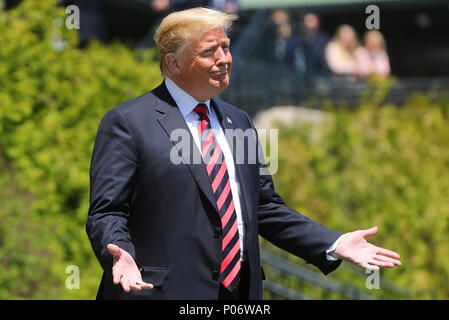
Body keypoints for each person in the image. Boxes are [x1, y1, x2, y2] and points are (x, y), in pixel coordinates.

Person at [86, 7, 401, 300]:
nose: (224, 59)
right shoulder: (128, 122)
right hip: (159, 292)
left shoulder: (239, 122)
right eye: (209, 51)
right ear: (174, 63)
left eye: (226, 47)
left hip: (240, 295)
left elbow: (265, 208)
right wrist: (121, 253)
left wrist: (333, 242)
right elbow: (108, 212)